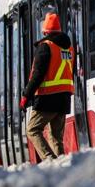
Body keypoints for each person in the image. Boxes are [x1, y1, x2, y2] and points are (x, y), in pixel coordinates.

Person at [20, 12, 75, 161]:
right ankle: (62, 164)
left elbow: (37, 74)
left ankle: (50, 160)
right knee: (56, 137)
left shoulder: (46, 47)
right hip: (64, 98)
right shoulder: (68, 48)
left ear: (45, 31)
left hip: (47, 98)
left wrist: (26, 95)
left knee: (32, 129)